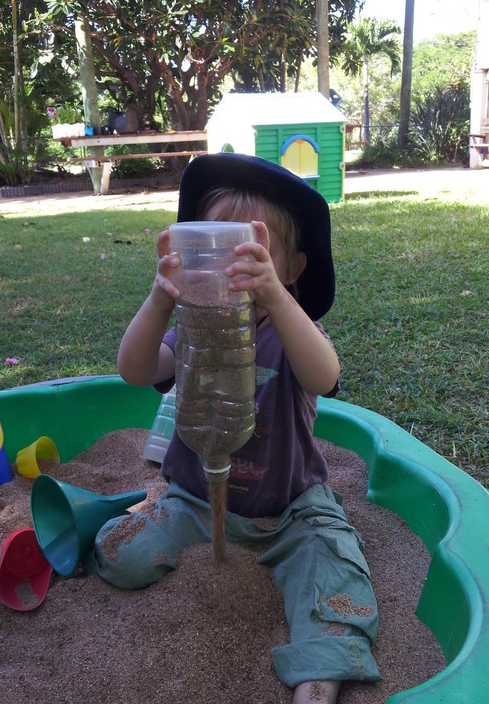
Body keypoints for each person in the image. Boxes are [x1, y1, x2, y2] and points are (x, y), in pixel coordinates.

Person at [93, 153, 381, 703]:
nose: (233, 270)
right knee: (121, 556)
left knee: (335, 578)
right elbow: (134, 370)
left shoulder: (294, 330)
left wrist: (275, 296)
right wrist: (160, 299)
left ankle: (316, 682)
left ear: (291, 268)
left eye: (253, 255)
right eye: (216, 252)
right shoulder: (194, 329)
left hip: (291, 508)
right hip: (198, 499)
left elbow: (324, 376)